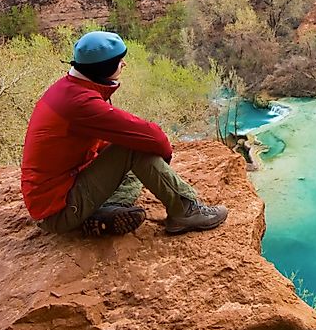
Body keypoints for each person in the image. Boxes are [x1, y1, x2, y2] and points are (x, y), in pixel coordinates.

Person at [21, 30, 227, 237]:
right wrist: (161, 157)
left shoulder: (69, 89)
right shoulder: (80, 102)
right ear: (103, 68)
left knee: (132, 157)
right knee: (134, 148)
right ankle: (185, 211)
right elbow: (152, 137)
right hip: (58, 209)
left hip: (58, 195)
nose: (124, 64)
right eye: (119, 61)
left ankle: (103, 213)